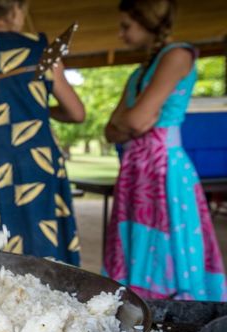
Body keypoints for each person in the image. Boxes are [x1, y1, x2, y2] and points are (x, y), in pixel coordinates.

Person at [104, 0, 226, 300]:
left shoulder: (178, 54)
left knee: (168, 244)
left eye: (126, 26)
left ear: (146, 20)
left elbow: (131, 120)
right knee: (137, 240)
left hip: (163, 169)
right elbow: (112, 129)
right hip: (136, 169)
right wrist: (133, 121)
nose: (121, 34)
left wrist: (131, 121)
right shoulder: (138, 73)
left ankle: (172, 315)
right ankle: (140, 305)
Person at [0, 0, 85, 265]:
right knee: (42, 233)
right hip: (36, 160)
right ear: (17, 10)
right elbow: (77, 113)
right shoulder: (41, 50)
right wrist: (42, 111)